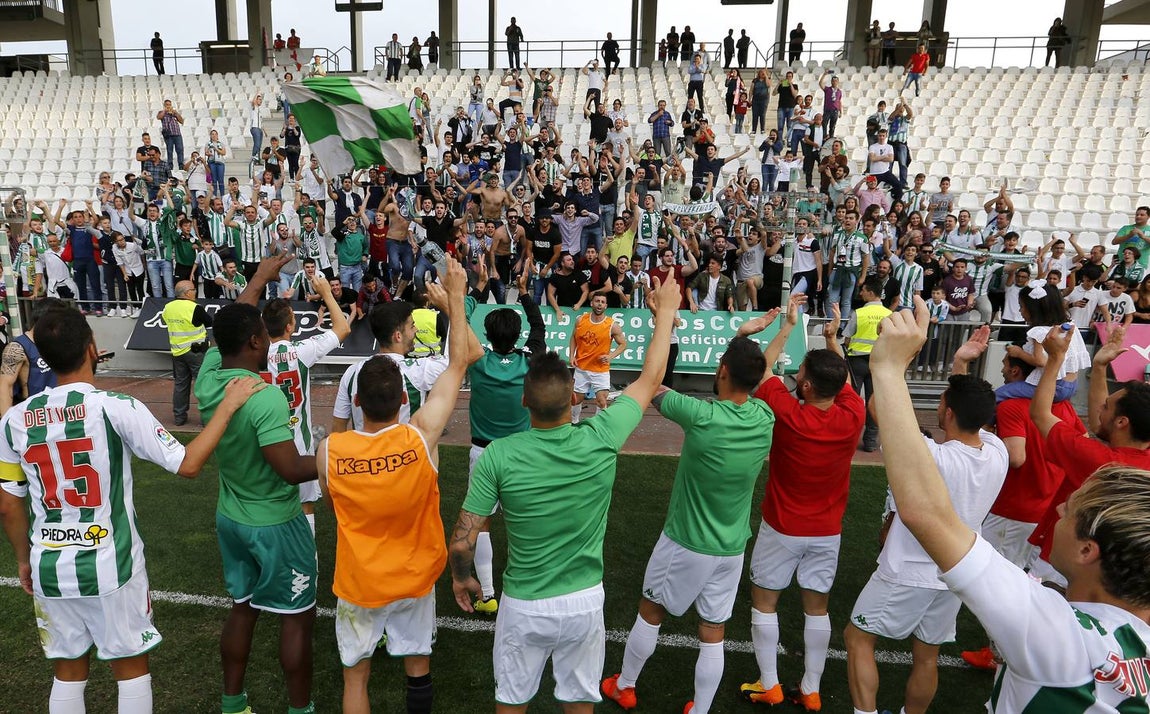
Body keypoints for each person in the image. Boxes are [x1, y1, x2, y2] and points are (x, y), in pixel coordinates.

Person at [869, 301, 1150, 713]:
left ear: (1090, 550)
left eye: (1070, 512)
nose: (1057, 512)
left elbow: (923, 511)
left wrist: (889, 367)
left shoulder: (1052, 632)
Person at [0, 304, 260, 714]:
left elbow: (8, 505)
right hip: (111, 562)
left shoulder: (14, 419)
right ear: (91, 348)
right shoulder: (116, 406)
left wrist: (23, 560)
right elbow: (188, 464)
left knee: (67, 673)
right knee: (131, 668)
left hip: (48, 563)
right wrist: (228, 406)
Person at [446, 274, 681, 712]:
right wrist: (665, 312)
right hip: (584, 603)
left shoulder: (498, 455)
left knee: (511, 704)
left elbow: (464, 538)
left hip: (523, 605)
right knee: (579, 705)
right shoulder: (602, 435)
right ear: (572, 399)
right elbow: (650, 379)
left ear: (524, 402)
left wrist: (462, 576)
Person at [316, 260, 469, 714]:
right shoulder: (420, 438)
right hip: (414, 576)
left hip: (360, 580)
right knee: (417, 668)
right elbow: (459, 363)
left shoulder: (330, 452)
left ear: (357, 399)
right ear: (404, 399)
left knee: (356, 676)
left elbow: (332, 505)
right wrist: (455, 300)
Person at [603, 337, 774, 713]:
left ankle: (625, 685)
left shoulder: (702, 414)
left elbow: (652, 385)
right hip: (731, 549)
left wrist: (660, 325)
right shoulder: (765, 417)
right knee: (713, 631)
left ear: (723, 371)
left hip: (685, 543)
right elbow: (759, 374)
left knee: (651, 611)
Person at [845, 326, 1008, 714]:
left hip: (907, 570)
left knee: (857, 639)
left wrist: (890, 363)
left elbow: (878, 409)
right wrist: (960, 363)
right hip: (956, 570)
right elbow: (975, 413)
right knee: (927, 656)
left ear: (947, 412)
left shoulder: (930, 455)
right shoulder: (997, 451)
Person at [193, 257, 327, 714]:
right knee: (296, 618)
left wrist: (259, 279)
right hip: (276, 521)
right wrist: (336, 458)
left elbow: (227, 325)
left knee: (243, 607)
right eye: (265, 335)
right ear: (256, 341)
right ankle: (300, 709)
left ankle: (233, 703)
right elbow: (289, 468)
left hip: (231, 517)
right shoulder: (263, 394)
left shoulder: (210, 378)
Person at [733, 300, 865, 710]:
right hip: (827, 532)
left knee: (765, 601)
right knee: (817, 608)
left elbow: (764, 368)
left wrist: (788, 326)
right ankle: (811, 689)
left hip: (782, 527)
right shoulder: (853, 413)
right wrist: (830, 340)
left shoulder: (788, 411)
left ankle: (770, 684)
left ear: (806, 387)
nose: (796, 376)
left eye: (801, 374)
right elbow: (840, 380)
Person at [463, 272, 546, 614]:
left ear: (487, 335)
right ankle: (531, 589)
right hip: (522, 453)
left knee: (482, 524)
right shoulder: (529, 361)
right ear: (517, 335)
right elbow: (539, 328)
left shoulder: (478, 361)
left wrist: (479, 288)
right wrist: (525, 294)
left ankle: (487, 595)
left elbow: (459, 319)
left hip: (483, 451)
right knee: (527, 519)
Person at [261, 273, 351, 536]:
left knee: (269, 505)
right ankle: (307, 566)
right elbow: (342, 328)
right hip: (297, 443)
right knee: (305, 506)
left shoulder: (254, 354)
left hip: (266, 440)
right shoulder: (302, 350)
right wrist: (325, 293)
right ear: (290, 325)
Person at [844, 277, 893, 452]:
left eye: (863, 290)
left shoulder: (859, 313)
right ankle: (871, 441)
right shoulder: (889, 315)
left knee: (852, 401)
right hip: (879, 363)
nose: (861, 293)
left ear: (871, 293)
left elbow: (847, 337)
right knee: (875, 402)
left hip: (856, 361)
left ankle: (849, 438)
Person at [0, 298, 65, 416]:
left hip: (58, 411)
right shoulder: (17, 348)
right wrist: (6, 424)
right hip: (34, 414)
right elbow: (5, 386)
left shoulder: (57, 343)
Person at [569, 293, 627, 423]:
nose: (599, 304)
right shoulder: (581, 320)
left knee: (601, 401)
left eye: (602, 302)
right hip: (581, 368)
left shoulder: (612, 325)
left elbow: (623, 344)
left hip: (600, 370)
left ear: (606, 305)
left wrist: (610, 356)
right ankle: (574, 423)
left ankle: (597, 426)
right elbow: (573, 337)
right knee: (577, 399)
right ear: (591, 303)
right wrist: (571, 355)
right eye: (597, 301)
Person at [163, 280, 213, 427]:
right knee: (202, 385)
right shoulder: (194, 307)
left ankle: (179, 417)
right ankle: (206, 419)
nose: (195, 292)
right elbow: (209, 322)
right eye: (193, 289)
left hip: (177, 352)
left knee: (180, 384)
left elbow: (166, 320)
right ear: (186, 293)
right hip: (196, 352)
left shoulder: (168, 307)